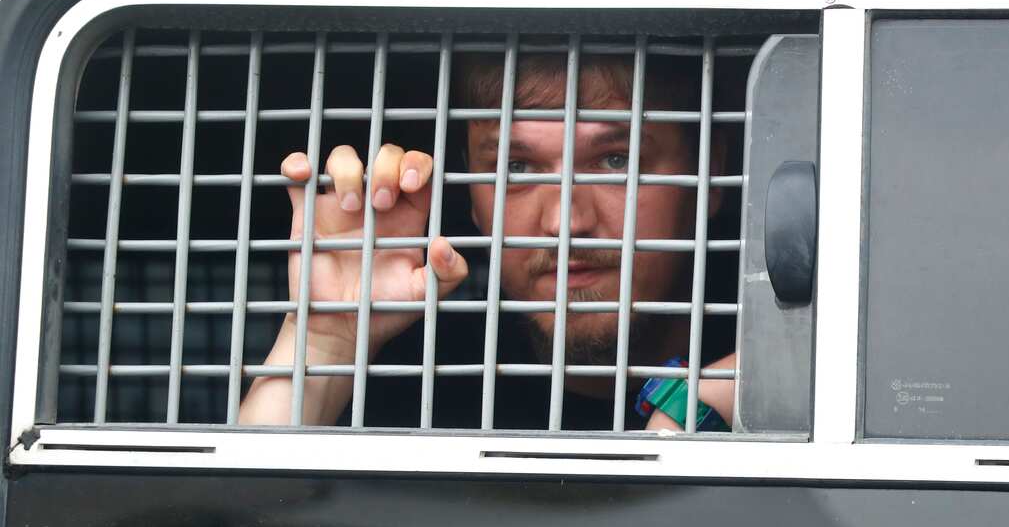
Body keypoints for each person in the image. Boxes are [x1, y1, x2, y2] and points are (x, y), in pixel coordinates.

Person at [239, 48, 737, 432]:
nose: (564, 221)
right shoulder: (419, 387)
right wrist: (329, 341)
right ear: (473, 197)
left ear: (710, 174)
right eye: (515, 167)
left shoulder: (786, 362)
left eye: (616, 160)